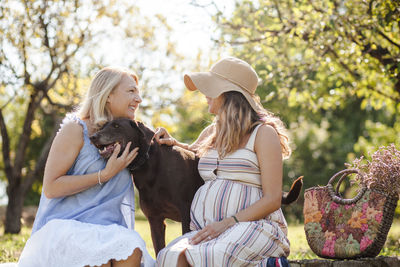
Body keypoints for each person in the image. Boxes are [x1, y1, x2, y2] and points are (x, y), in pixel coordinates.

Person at [154, 57, 291, 267]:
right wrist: (173, 142)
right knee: (169, 257)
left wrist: (228, 223)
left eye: (211, 88)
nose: (205, 94)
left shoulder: (264, 134)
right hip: (210, 230)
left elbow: (273, 199)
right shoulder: (211, 132)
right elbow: (193, 152)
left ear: (228, 94)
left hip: (256, 226)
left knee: (213, 256)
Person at [18, 67, 155, 267]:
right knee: (94, 256)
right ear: (108, 95)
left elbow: (156, 167)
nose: (139, 99)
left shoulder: (129, 137)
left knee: (132, 248)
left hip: (111, 231)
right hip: (68, 227)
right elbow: (51, 187)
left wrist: (166, 141)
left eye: (138, 92)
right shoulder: (74, 130)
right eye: (131, 91)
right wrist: (104, 174)